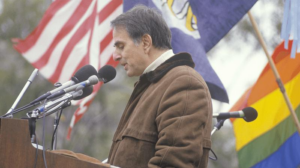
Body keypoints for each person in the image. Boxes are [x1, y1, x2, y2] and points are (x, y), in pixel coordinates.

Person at [107, 5, 212, 168]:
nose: (115, 56)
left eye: (121, 46)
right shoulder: (151, 86)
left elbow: (174, 163)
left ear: (146, 42)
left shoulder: (184, 83)